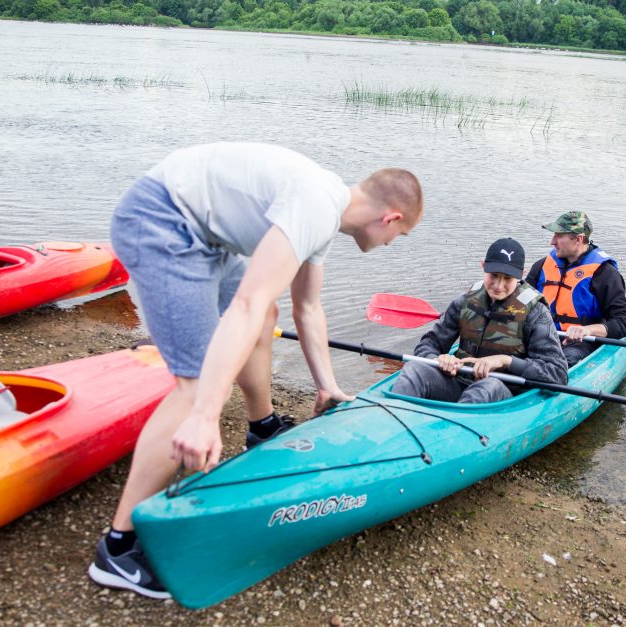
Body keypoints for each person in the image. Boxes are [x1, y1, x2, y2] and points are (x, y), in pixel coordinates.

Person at [88, 142, 423, 599]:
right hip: (162, 222)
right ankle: (118, 547)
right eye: (398, 239)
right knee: (198, 387)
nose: (390, 245)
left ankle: (262, 425)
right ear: (391, 219)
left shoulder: (327, 214)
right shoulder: (315, 206)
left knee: (268, 319)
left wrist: (327, 386)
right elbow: (246, 302)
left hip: (205, 235)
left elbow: (306, 308)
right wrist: (207, 414)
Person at [391, 238, 568, 404]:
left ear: (521, 274)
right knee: (414, 369)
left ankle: (456, 431)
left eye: (507, 278)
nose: (499, 286)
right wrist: (438, 358)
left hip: (503, 393)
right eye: (493, 276)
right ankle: (393, 420)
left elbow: (557, 373)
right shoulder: (464, 301)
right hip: (459, 381)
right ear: (483, 266)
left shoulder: (536, 313)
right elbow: (428, 344)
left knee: (487, 386)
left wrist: (506, 360)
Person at [525, 211, 626, 367]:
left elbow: (624, 321)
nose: (552, 242)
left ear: (578, 239)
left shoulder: (605, 274)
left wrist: (588, 330)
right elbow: (520, 302)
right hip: (540, 336)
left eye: (559, 236)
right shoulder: (542, 266)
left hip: (578, 343)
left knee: (560, 363)